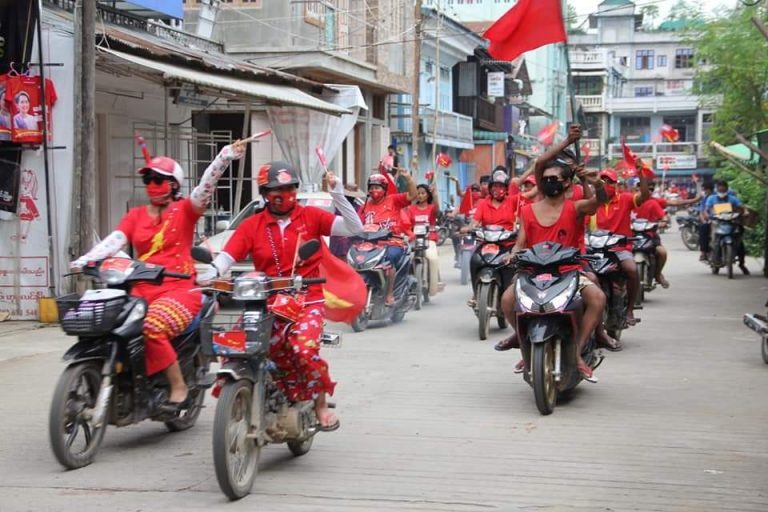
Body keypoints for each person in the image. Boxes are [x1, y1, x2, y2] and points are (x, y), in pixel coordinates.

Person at [71, 141, 247, 410]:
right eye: (148, 178)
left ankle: (178, 385)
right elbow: (115, 240)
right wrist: (87, 259)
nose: (152, 184)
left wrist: (224, 157)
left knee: (152, 326)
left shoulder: (186, 210)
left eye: (159, 179)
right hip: (139, 290)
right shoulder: (136, 215)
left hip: (178, 291)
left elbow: (205, 187)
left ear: (174, 185)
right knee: (104, 324)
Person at [207, 163, 363, 430]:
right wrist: (211, 271)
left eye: (288, 188)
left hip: (307, 299)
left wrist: (338, 193)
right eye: (274, 189)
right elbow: (228, 256)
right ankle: (250, 394)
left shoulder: (312, 217)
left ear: (295, 189)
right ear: (264, 193)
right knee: (237, 345)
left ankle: (319, 403)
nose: (282, 194)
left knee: (302, 349)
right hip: (265, 301)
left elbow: (354, 227)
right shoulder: (252, 225)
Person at [500, 158, 605, 382]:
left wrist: (597, 184)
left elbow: (598, 202)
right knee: (507, 300)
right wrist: (513, 254)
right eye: (545, 179)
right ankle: (525, 348)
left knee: (597, 297)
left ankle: (577, 352)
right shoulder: (528, 211)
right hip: (531, 272)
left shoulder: (575, 207)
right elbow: (521, 241)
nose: (549, 182)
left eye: (554, 179)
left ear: (567, 183)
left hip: (569, 271)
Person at [592, 166, 651, 325]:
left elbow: (644, 196)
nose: (605, 185)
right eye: (602, 181)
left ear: (616, 184)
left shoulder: (624, 199)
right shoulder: (592, 202)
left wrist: (641, 174)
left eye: (609, 182)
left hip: (620, 248)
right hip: (596, 249)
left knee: (631, 269)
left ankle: (630, 309)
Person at [358, 169, 417, 304]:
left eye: (377, 187)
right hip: (370, 244)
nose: (374, 190)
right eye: (371, 187)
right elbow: (357, 224)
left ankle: (389, 294)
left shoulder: (394, 200)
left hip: (393, 242)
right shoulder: (365, 206)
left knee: (388, 261)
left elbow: (412, 195)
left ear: (384, 189)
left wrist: (409, 179)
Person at [463, 170, 517, 306]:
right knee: (475, 260)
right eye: (495, 186)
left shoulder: (512, 201)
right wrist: (470, 228)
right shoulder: (483, 203)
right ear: (490, 187)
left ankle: (509, 294)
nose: (497, 189)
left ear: (506, 188)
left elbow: (524, 213)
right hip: (486, 242)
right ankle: (476, 294)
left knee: (510, 265)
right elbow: (475, 221)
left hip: (507, 242)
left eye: (501, 186)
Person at [701, 180, 749, 274]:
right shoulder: (711, 198)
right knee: (708, 233)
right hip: (717, 222)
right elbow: (706, 210)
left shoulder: (732, 198)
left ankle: (742, 263)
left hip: (730, 221)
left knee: (739, 240)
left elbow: (742, 206)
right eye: (720, 190)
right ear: (717, 189)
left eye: (724, 190)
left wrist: (745, 211)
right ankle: (706, 253)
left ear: (727, 189)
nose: (722, 193)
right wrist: (707, 215)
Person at [405, 183, 443, 296]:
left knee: (432, 258)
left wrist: (435, 194)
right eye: (418, 193)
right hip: (413, 239)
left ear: (428, 195)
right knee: (406, 258)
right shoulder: (410, 209)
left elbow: (437, 209)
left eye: (423, 193)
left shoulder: (432, 208)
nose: (420, 195)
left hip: (429, 239)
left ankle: (433, 285)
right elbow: (406, 223)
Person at [698, 181, 716, 261]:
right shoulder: (706, 198)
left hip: (724, 219)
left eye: (705, 190)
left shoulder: (719, 197)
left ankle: (741, 259)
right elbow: (702, 211)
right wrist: (705, 221)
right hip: (711, 220)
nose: (704, 191)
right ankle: (703, 252)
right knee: (703, 228)